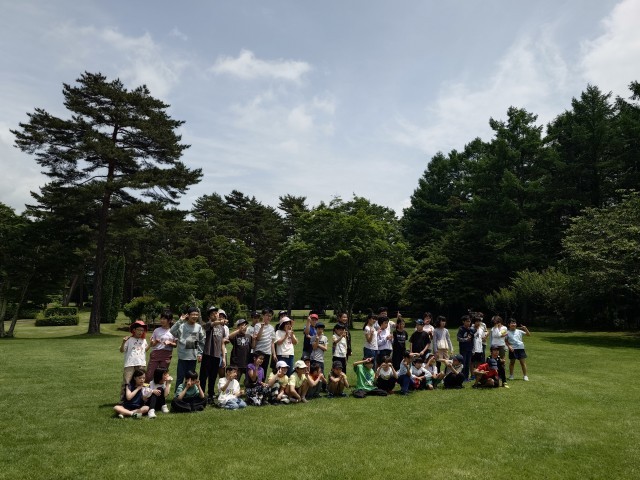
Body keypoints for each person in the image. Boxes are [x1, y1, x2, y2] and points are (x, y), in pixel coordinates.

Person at [170, 307, 205, 392]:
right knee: (180, 377)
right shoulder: (182, 326)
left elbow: (202, 341)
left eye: (196, 315)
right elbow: (172, 331)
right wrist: (180, 321)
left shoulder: (198, 327)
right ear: (188, 315)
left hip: (193, 357)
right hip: (183, 357)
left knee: (191, 378)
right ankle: (177, 395)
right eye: (193, 314)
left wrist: (200, 353)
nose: (195, 316)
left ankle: (189, 394)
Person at [200, 305, 226, 402]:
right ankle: (202, 395)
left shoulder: (222, 328)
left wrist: (223, 357)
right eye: (212, 314)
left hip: (217, 355)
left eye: (216, 313)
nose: (215, 315)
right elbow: (212, 324)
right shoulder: (207, 324)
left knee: (213, 376)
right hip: (207, 354)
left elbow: (222, 343)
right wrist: (220, 321)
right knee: (203, 376)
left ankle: (211, 395)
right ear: (209, 317)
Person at [120, 320, 149, 399]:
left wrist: (151, 345)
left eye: (142, 330)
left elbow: (145, 350)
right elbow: (122, 350)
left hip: (141, 364)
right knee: (127, 382)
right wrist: (123, 342)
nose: (140, 332)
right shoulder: (129, 339)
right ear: (134, 330)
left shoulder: (144, 340)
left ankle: (139, 399)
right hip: (129, 364)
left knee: (140, 382)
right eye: (139, 330)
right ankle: (123, 400)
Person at [145, 311, 176, 382]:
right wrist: (155, 342)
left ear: (169, 320)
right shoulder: (156, 330)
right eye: (161, 318)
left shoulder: (173, 331)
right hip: (155, 353)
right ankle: (148, 388)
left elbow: (175, 345)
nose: (162, 320)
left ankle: (161, 388)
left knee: (162, 375)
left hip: (166, 354)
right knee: (150, 374)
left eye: (164, 319)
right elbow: (153, 344)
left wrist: (170, 343)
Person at [252, 308, 277, 373]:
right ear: (263, 316)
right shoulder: (257, 325)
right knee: (257, 370)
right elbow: (258, 338)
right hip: (259, 351)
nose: (268, 317)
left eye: (270, 316)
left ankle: (262, 380)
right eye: (267, 315)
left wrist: (274, 354)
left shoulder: (271, 328)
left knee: (264, 371)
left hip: (267, 353)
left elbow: (272, 342)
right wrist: (262, 327)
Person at [229, 318, 251, 384]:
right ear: (238, 327)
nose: (244, 327)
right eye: (242, 325)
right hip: (237, 364)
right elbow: (229, 337)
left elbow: (253, 346)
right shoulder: (235, 336)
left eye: (245, 325)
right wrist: (239, 330)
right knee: (235, 382)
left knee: (248, 382)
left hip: (247, 362)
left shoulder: (249, 336)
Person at [490, 316, 509, 387]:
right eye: (495, 323)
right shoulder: (493, 328)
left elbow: (498, 335)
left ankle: (502, 376)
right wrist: (497, 329)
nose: (496, 324)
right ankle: (494, 374)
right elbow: (497, 335)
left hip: (501, 346)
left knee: (502, 361)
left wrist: (499, 332)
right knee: (493, 361)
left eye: (497, 322)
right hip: (494, 345)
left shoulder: (504, 328)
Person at [310, 322, 328, 389]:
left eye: (322, 329)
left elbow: (325, 348)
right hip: (314, 358)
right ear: (316, 329)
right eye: (319, 329)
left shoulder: (325, 338)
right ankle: (314, 386)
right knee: (314, 373)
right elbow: (314, 348)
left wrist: (318, 344)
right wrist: (317, 340)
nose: (320, 330)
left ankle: (324, 387)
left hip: (321, 359)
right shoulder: (313, 337)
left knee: (321, 373)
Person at [457, 315, 474, 381]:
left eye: (469, 321)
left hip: (470, 349)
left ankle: (466, 377)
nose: (468, 323)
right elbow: (458, 338)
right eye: (467, 321)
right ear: (463, 322)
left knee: (468, 363)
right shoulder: (461, 329)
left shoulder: (471, 329)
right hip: (463, 349)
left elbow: (473, 338)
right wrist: (466, 339)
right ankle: (462, 377)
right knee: (463, 363)